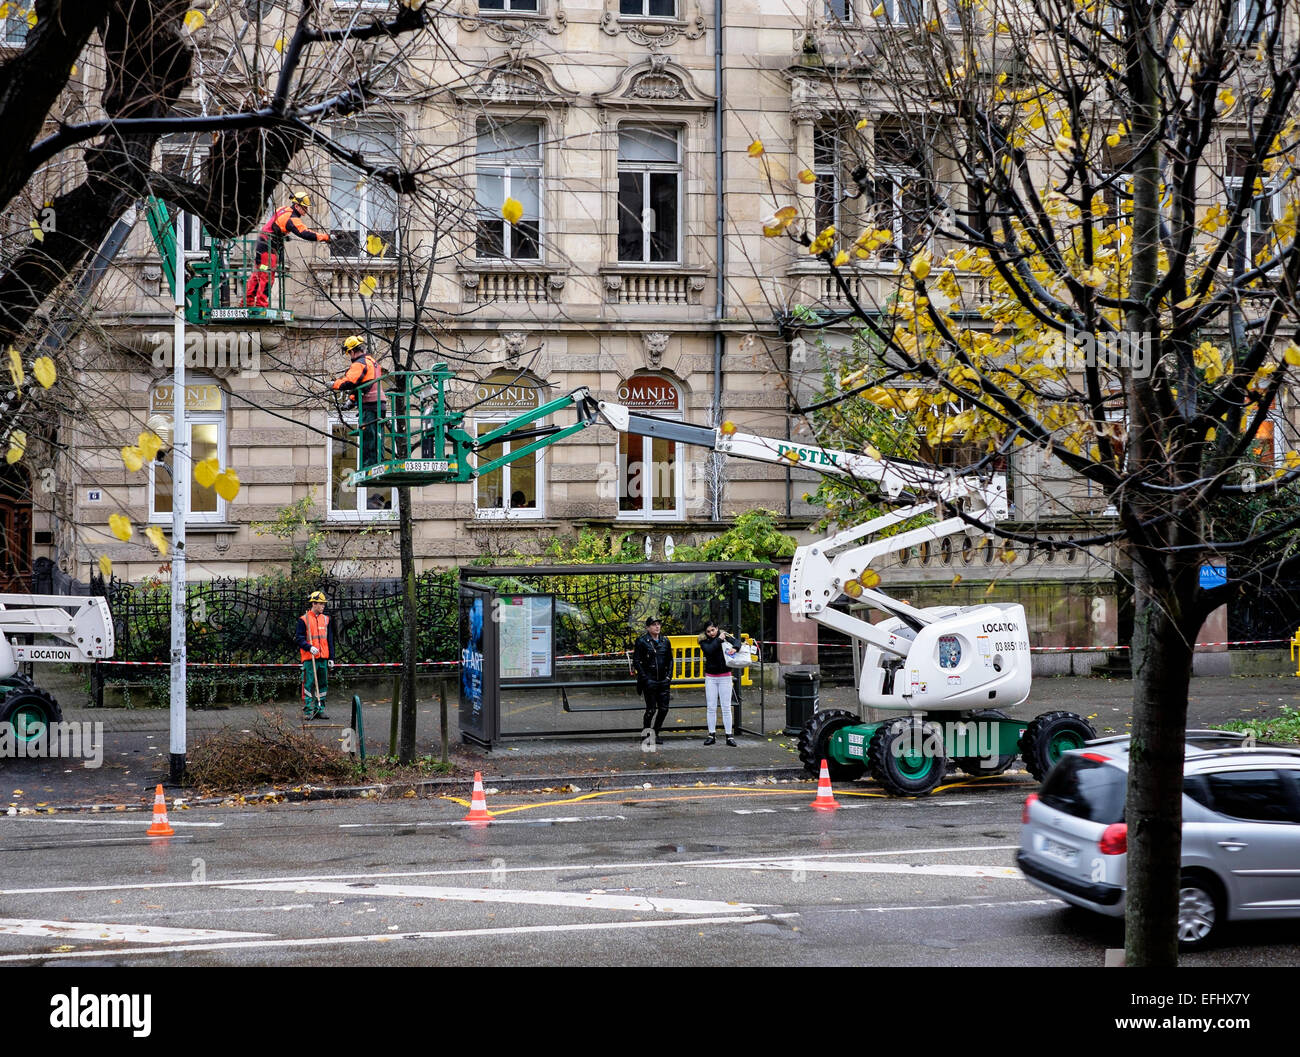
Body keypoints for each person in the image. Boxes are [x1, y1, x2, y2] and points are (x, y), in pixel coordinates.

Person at [244, 191, 330, 308]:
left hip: (262, 244)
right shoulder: (292, 218)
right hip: (268, 248)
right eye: (304, 208)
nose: (306, 211)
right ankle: (261, 305)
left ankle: (247, 303)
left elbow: (277, 224)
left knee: (259, 273)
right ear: (297, 206)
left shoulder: (283, 209)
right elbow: (305, 233)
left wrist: (283, 234)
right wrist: (325, 237)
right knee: (267, 275)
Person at [332, 335, 384, 468]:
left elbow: (349, 382)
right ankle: (378, 460)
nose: (350, 356)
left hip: (370, 404)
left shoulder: (359, 363)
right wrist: (352, 400)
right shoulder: (372, 361)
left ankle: (370, 465)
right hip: (378, 402)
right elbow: (364, 385)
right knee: (376, 435)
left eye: (349, 352)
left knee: (369, 435)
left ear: (353, 351)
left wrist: (334, 384)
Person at [632, 616, 673, 744]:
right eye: (654, 624)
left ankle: (656, 732)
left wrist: (668, 677)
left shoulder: (665, 641)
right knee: (651, 710)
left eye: (659, 624)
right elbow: (636, 661)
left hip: (663, 681)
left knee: (664, 709)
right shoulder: (642, 641)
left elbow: (670, 660)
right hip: (649, 680)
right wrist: (645, 678)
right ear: (648, 627)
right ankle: (646, 734)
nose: (657, 627)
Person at [295, 590, 336, 720]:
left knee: (323, 685)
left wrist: (331, 658)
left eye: (324, 604)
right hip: (309, 658)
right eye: (320, 604)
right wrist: (309, 647)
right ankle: (308, 711)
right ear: (313, 604)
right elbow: (299, 638)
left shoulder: (326, 619)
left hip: (323, 658)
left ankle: (320, 709)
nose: (323, 606)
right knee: (308, 684)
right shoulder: (304, 619)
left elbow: (330, 640)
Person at [698, 622, 737, 746]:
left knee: (726, 707)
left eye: (713, 630)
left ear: (717, 628)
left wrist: (735, 648)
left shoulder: (725, 636)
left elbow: (737, 642)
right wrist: (719, 640)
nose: (711, 633)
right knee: (711, 707)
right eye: (708, 631)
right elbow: (709, 650)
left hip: (725, 676)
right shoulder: (704, 641)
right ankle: (711, 734)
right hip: (711, 677)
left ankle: (729, 736)